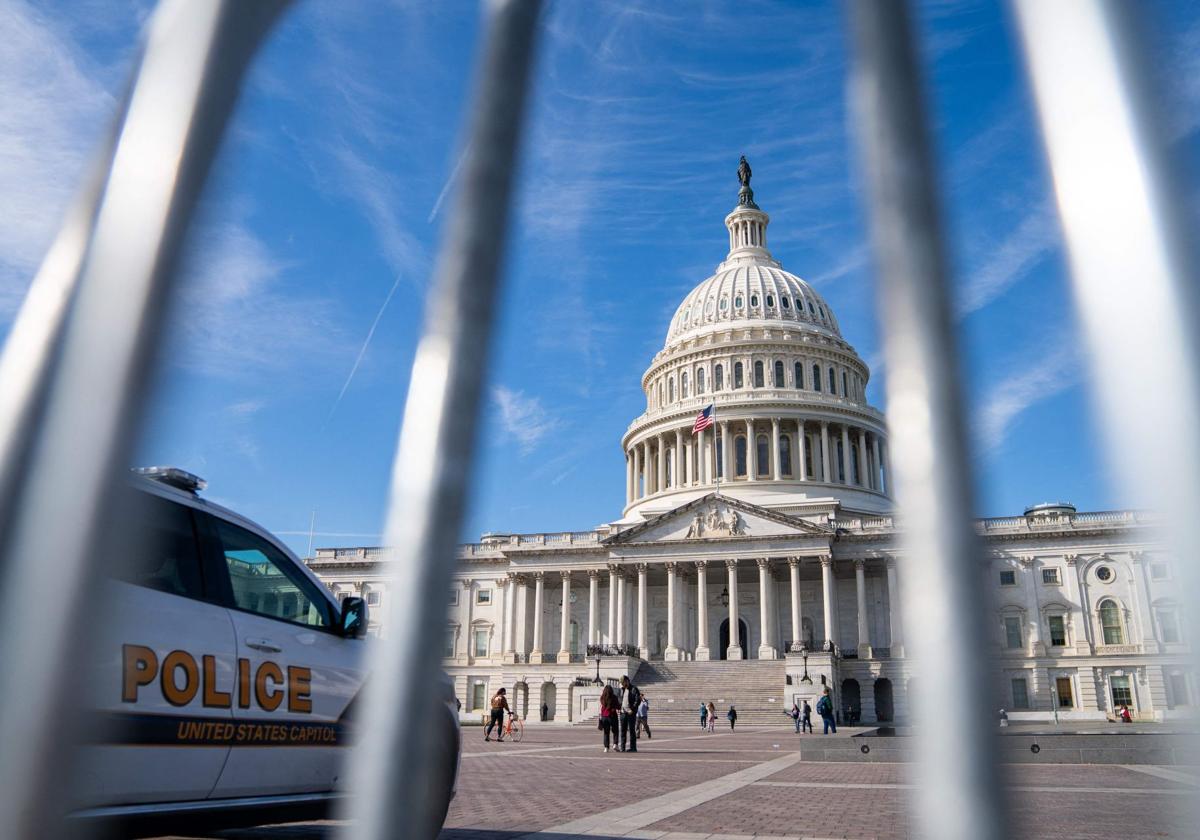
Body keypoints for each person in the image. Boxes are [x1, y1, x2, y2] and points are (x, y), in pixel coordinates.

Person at [618, 675, 641, 753]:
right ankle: (622, 747)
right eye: (621, 683)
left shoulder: (634, 689)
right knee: (623, 731)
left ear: (627, 681)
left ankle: (633, 748)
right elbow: (619, 699)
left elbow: (637, 700)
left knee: (631, 731)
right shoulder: (622, 689)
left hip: (630, 713)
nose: (622, 684)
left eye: (623, 682)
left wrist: (632, 709)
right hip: (622, 713)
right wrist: (619, 708)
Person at [598, 684, 618, 752]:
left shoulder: (602, 698)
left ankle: (606, 747)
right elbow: (618, 706)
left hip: (604, 717)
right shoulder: (614, 697)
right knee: (615, 731)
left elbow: (600, 707)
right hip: (612, 716)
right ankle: (615, 744)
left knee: (606, 733)